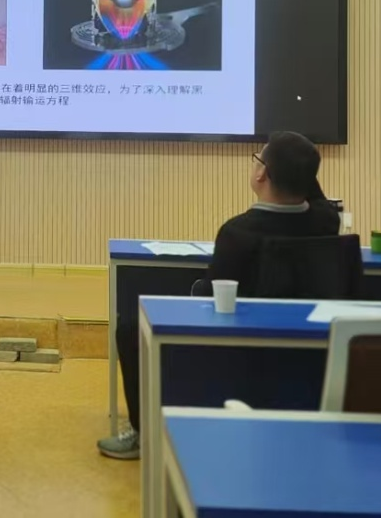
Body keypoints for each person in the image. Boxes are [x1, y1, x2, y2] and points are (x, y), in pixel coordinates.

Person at [97, 131, 340, 461]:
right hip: (307, 350)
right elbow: (315, 196)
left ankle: (144, 431)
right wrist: (299, 167)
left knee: (130, 328)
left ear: (262, 174)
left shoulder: (238, 232)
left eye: (258, 159)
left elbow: (213, 294)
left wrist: (197, 287)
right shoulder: (325, 221)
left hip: (240, 351)